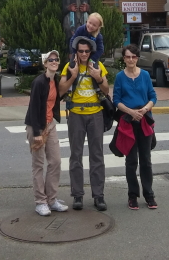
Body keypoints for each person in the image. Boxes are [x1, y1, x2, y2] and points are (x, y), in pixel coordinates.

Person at [59, 36, 109, 211]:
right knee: (76, 156)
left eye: (87, 51)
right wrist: (72, 77)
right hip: (76, 115)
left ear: (91, 52)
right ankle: (78, 195)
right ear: (76, 52)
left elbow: (106, 90)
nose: (84, 54)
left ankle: (98, 196)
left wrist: (99, 77)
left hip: (95, 114)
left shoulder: (98, 66)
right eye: (81, 51)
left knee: (97, 156)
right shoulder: (69, 67)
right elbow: (61, 90)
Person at [113, 43, 158, 210]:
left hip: (144, 120)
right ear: (123, 58)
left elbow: (153, 96)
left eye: (133, 56)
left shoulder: (145, 75)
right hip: (127, 123)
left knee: (146, 160)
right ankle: (132, 195)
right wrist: (131, 113)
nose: (131, 59)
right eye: (127, 57)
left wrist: (145, 109)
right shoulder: (119, 77)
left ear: (137, 58)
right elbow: (116, 100)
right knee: (131, 161)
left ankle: (149, 194)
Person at [25, 50, 68, 216]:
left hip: (50, 126)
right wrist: (36, 131)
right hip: (36, 126)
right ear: (45, 63)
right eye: (51, 60)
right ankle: (40, 202)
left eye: (56, 59)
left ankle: (52, 199)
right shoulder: (39, 82)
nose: (54, 62)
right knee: (38, 165)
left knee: (55, 161)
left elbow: (56, 99)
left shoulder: (54, 80)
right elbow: (34, 107)